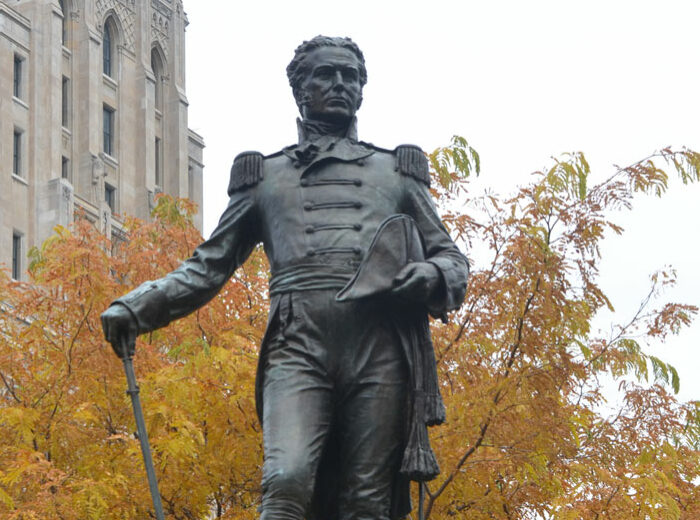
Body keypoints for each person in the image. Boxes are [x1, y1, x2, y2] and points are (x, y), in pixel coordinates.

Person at [101, 35, 469, 520]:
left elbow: (452, 259)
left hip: (377, 349)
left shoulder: (396, 172)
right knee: (286, 480)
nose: (340, 84)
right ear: (300, 89)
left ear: (362, 90)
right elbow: (208, 266)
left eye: (351, 76)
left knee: (367, 501)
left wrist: (430, 272)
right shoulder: (266, 177)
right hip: (298, 346)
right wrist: (138, 306)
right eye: (325, 74)